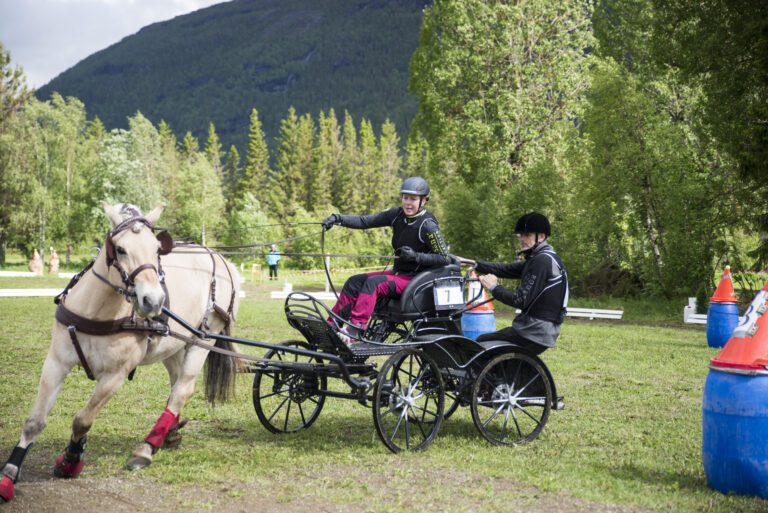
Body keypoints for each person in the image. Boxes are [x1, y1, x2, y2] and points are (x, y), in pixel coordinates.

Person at [322, 176, 450, 345]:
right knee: (354, 281)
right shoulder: (396, 215)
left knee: (374, 283)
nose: (408, 203)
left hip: (415, 280)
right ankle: (334, 323)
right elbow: (365, 221)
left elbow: (443, 258)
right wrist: (338, 218)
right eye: (405, 198)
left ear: (424, 201)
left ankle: (354, 329)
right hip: (397, 275)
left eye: (413, 199)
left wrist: (416, 256)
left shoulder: (428, 225)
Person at [457, 212, 568, 355]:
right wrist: (472, 263)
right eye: (521, 235)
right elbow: (505, 269)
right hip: (540, 329)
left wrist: (494, 287)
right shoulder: (543, 258)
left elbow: (520, 300)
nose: (522, 239)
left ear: (540, 236)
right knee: (487, 343)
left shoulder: (542, 261)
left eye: (526, 235)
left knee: (482, 343)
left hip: (534, 331)